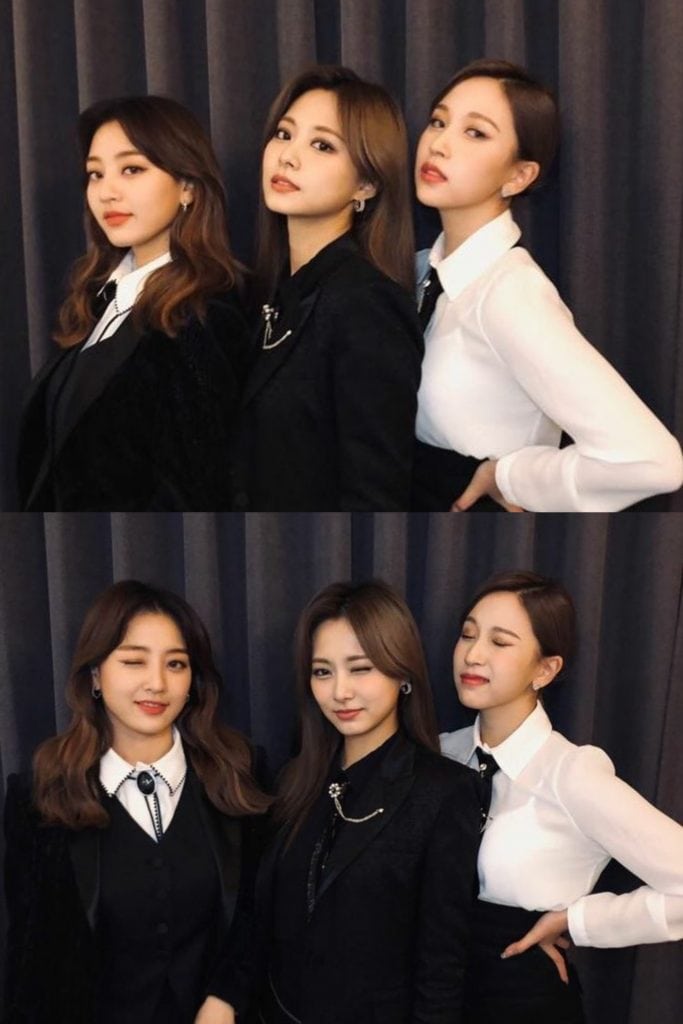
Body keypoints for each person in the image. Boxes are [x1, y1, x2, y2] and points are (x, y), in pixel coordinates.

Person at [413, 58, 683, 511]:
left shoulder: (510, 293)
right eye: (439, 122)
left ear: (519, 175)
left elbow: (653, 462)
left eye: (475, 132)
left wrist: (510, 476)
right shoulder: (423, 269)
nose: (439, 144)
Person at [3, 580, 271, 1024]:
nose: (157, 683)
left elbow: (260, 911)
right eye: (133, 661)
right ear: (95, 674)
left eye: (176, 664)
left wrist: (226, 998)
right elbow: (27, 959)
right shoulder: (38, 796)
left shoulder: (240, 772)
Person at [440, 569, 683, 1023]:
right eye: (467, 634)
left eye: (500, 642)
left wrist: (580, 921)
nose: (473, 654)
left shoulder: (571, 773)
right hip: (436, 996)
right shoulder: (442, 754)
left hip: (524, 1001)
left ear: (545, 669)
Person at [253, 579, 481, 1023]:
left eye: (360, 669)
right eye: (323, 672)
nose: (340, 691)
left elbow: (442, 967)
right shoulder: (293, 780)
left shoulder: (445, 791)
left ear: (402, 673)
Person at [17, 95, 249, 511]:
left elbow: (200, 490)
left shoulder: (205, 317)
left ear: (187, 187)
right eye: (95, 174)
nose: (107, 192)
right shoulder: (99, 299)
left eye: (132, 169)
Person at [232, 65, 423, 511]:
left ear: (366, 185)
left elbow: (376, 493)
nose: (288, 156)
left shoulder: (367, 304)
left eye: (322, 145)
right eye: (284, 134)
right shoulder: (276, 290)